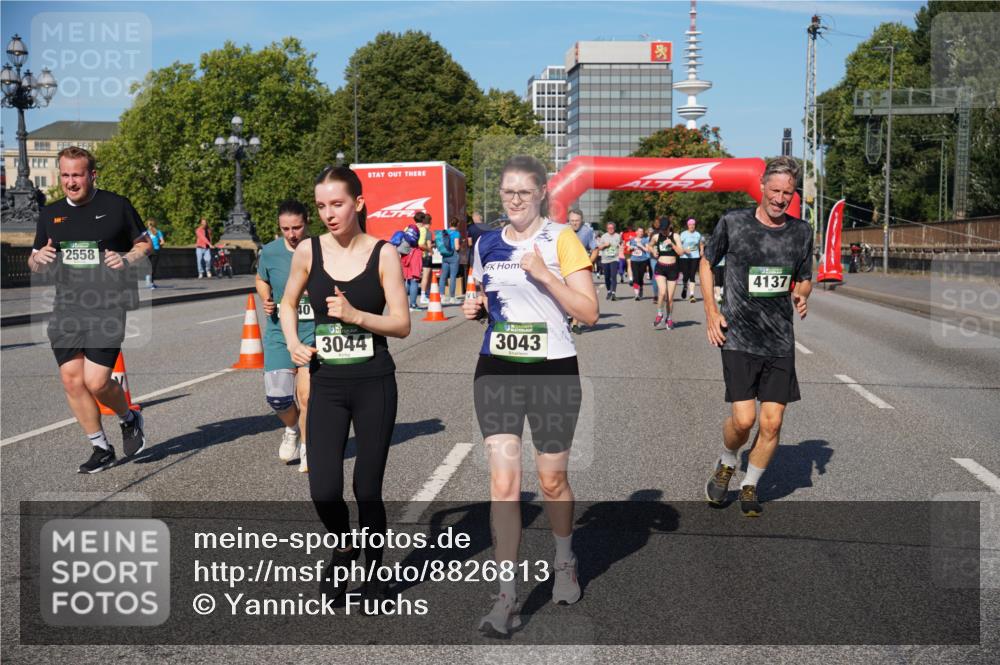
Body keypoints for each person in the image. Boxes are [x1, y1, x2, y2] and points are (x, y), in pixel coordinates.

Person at [463, 155, 598, 636]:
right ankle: (506, 597)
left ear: (542, 193)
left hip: (553, 371)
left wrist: (545, 274)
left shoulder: (560, 239)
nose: (514, 200)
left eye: (524, 192)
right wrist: (474, 305)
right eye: (507, 192)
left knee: (551, 482)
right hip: (496, 368)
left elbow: (589, 311)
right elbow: (485, 296)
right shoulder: (487, 243)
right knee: (502, 483)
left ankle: (564, 559)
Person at [281, 165, 410, 606]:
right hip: (327, 384)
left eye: (337, 204)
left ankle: (373, 573)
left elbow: (402, 324)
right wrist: (296, 342)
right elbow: (286, 303)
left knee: (368, 489)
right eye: (321, 206)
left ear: (358, 203)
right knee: (323, 489)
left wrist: (356, 316)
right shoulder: (308, 251)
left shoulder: (384, 254)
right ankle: (343, 545)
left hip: (374, 381)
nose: (328, 214)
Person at [701, 156, 813, 517]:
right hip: (738, 336)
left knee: (773, 422)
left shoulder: (801, 231)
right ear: (762, 186)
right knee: (745, 420)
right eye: (776, 191)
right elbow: (706, 262)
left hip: (779, 339)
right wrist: (711, 311)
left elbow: (805, 275)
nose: (781, 199)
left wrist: (803, 292)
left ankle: (750, 485)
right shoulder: (734, 222)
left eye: (788, 193)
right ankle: (728, 459)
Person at [28, 146, 151, 473]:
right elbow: (35, 257)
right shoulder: (50, 214)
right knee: (71, 380)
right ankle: (100, 447)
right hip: (67, 307)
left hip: (107, 305)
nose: (71, 182)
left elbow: (145, 243)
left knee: (96, 382)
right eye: (65, 175)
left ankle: (129, 417)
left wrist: (126, 259)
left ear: (92, 175)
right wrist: (36, 260)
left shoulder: (116, 206)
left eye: (77, 175)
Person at [255, 200, 313, 473]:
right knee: (278, 398)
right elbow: (261, 279)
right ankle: (292, 429)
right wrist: (266, 298)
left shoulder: (322, 249)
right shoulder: (270, 251)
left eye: (297, 227)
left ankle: (308, 448)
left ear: (307, 223)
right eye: (285, 228)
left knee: (307, 397)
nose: (292, 234)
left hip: (313, 331)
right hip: (280, 331)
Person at [651, 218, 685, 330]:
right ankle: (660, 314)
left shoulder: (675, 236)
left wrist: (673, 244)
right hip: (660, 267)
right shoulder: (657, 236)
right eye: (662, 229)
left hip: (673, 268)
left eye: (665, 229)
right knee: (662, 292)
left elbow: (681, 252)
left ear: (669, 226)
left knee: (670, 298)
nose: (663, 231)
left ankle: (669, 318)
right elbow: (649, 245)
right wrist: (653, 251)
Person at [567, 208, 595, 334]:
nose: (574, 223)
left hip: (579, 269)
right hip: (563, 267)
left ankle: (575, 324)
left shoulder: (587, 231)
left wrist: (588, 263)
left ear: (581, 220)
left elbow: (595, 249)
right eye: (572, 220)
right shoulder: (563, 230)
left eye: (577, 221)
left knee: (578, 296)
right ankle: (567, 316)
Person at [436, 217, 462, 304]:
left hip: (445, 256)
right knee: (453, 276)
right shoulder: (456, 233)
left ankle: (442, 296)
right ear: (457, 224)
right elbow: (457, 247)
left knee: (443, 276)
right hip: (453, 256)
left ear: (450, 224)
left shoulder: (445, 232)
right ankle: (452, 297)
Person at [400, 224, 424, 311]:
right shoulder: (419, 230)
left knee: (408, 281)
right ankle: (413, 305)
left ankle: (403, 304)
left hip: (405, 256)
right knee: (414, 281)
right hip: (414, 255)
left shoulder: (407, 230)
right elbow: (420, 243)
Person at [597, 222, 621, 301]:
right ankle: (608, 291)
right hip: (605, 260)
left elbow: (619, 244)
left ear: (614, 228)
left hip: (614, 259)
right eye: (609, 228)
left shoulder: (617, 236)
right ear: (607, 229)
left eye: (612, 228)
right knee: (607, 277)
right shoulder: (604, 236)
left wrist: (615, 245)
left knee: (613, 276)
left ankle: (613, 293)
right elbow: (599, 247)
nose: (610, 229)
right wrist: (604, 245)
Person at [679, 218, 702, 302]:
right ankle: (685, 286)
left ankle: (692, 295)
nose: (692, 226)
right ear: (687, 225)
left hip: (695, 256)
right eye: (690, 225)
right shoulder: (683, 234)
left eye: (693, 225)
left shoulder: (698, 234)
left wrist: (701, 250)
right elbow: (679, 245)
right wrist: (684, 250)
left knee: (692, 275)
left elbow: (701, 243)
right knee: (686, 275)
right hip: (684, 257)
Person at [627, 226, 651, 301]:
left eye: (642, 232)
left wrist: (641, 245)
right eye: (640, 231)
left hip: (643, 260)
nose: (641, 233)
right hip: (634, 260)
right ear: (636, 232)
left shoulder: (645, 240)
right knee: (636, 277)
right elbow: (628, 249)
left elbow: (647, 250)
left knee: (640, 277)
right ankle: (636, 294)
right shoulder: (632, 240)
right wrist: (630, 248)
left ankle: (641, 288)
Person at [415, 211, 433, 306]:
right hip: (426, 255)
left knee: (418, 277)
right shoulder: (427, 232)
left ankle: (424, 295)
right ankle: (424, 295)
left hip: (417, 255)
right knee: (426, 276)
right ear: (429, 222)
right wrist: (431, 250)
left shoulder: (416, 229)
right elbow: (428, 245)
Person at [145, 220, 164, 289]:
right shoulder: (158, 232)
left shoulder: (146, 233)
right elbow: (162, 242)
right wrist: (158, 244)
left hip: (148, 251)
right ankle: (151, 283)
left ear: (148, 225)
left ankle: (149, 282)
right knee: (153, 267)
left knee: (149, 267)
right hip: (156, 251)